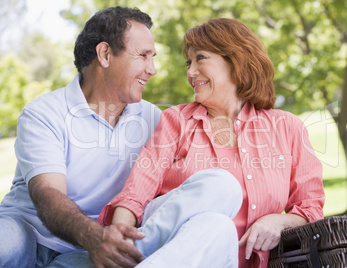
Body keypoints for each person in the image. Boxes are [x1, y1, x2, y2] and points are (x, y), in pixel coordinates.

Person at [97, 18, 325, 268]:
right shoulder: (177, 121)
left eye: (200, 58)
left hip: (226, 261)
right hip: (162, 246)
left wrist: (278, 222)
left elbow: (310, 208)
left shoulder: (288, 128)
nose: (190, 72)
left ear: (235, 59)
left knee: (220, 228)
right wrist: (118, 237)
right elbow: (136, 192)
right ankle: (128, 254)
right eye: (189, 62)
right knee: (222, 185)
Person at [0, 6, 162, 268]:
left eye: (152, 57)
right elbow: (48, 193)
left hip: (91, 249)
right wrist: (93, 237)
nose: (152, 69)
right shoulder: (43, 113)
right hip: (26, 229)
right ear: (105, 54)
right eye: (143, 56)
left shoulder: (154, 120)